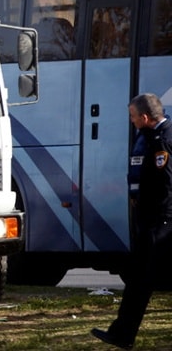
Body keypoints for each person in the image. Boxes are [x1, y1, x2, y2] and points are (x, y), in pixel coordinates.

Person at [92, 93, 172, 350]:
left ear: (146, 117)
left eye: (133, 116)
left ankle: (123, 334)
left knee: (140, 280)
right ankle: (122, 334)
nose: (132, 121)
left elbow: (167, 184)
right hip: (154, 222)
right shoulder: (153, 136)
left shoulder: (163, 140)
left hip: (159, 223)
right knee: (139, 280)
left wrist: (156, 217)